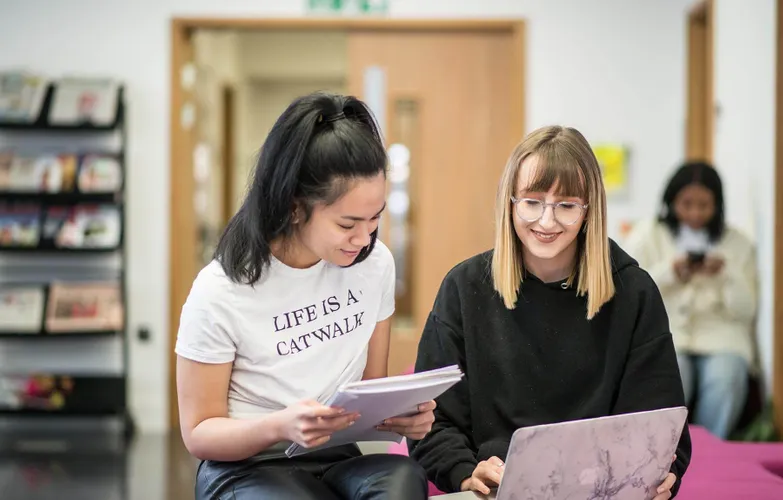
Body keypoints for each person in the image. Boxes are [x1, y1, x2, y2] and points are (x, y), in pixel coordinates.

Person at [408, 125, 692, 499]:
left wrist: (663, 475)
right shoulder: (464, 288)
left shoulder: (633, 292)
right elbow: (431, 421)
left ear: (589, 211)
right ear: (510, 203)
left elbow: (660, 422)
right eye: (532, 202)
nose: (547, 221)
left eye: (567, 206)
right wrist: (464, 471)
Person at [175, 91, 434, 500]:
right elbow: (199, 434)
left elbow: (371, 388)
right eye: (348, 223)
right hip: (249, 465)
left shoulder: (375, 263)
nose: (364, 238)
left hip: (338, 455)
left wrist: (399, 415)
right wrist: (279, 425)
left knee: (403, 478)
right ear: (296, 207)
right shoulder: (221, 290)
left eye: (375, 219)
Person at [623, 162, 757, 439]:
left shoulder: (737, 243)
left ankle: (710, 449)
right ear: (671, 200)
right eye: (687, 204)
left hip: (722, 337)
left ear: (717, 205)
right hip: (668, 333)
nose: (695, 213)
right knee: (670, 373)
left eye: (704, 205)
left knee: (727, 376)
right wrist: (671, 271)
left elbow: (746, 310)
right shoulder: (647, 235)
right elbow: (630, 294)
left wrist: (726, 273)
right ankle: (668, 450)